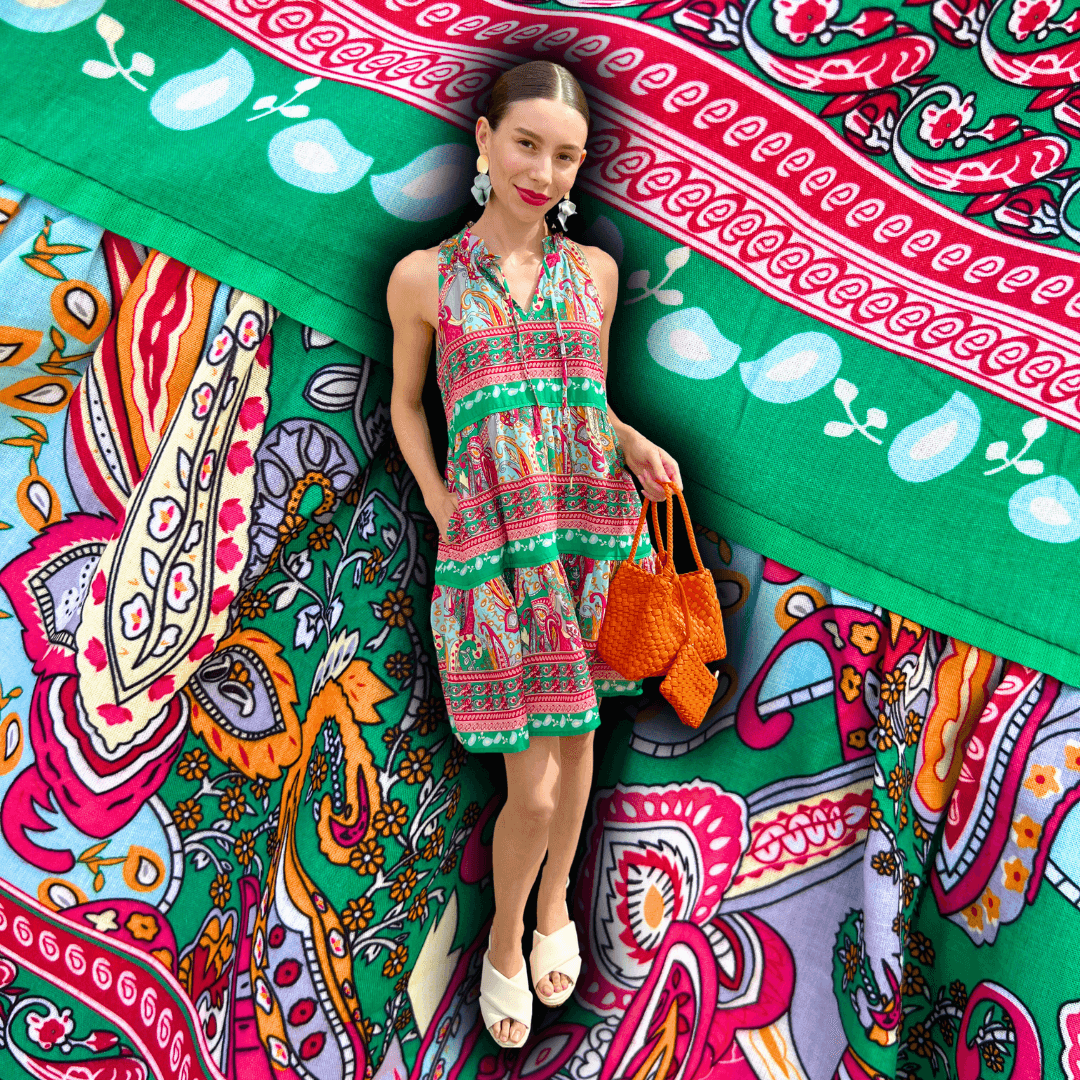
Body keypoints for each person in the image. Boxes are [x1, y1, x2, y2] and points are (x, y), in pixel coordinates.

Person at [387, 59, 683, 1049]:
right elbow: (406, 404)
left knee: (579, 741)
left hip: (589, 527)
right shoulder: (425, 278)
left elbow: (583, 396)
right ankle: (507, 937)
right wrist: (439, 501)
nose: (543, 172)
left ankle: (556, 899)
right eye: (526, 144)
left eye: (565, 156)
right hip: (496, 546)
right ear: (483, 139)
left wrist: (632, 441)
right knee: (535, 782)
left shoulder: (591, 274)